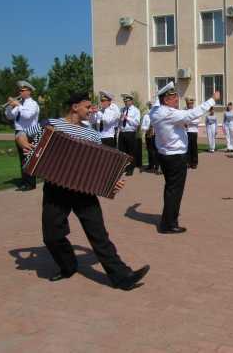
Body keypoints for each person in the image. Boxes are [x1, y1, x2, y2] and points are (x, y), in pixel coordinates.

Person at [15, 92, 150, 289]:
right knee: (51, 236)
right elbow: (21, 134)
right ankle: (68, 266)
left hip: (84, 190)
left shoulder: (92, 134)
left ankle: (123, 276)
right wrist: (23, 143)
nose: (91, 110)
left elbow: (100, 164)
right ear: (75, 107)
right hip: (55, 188)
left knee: (98, 235)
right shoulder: (50, 123)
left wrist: (114, 181)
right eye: (88, 107)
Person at [149, 82, 218, 234]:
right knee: (175, 191)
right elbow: (191, 114)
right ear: (165, 100)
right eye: (173, 98)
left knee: (170, 189)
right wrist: (212, 100)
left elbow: (156, 104)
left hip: (165, 156)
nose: (177, 100)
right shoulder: (169, 113)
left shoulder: (155, 111)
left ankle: (167, 219)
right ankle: (169, 224)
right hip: (176, 157)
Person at [4, 80, 39, 191]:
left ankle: (30, 183)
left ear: (29, 91)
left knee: (28, 158)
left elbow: (27, 115)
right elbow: (9, 116)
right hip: (19, 132)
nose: (20, 92)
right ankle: (25, 182)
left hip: (29, 133)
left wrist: (18, 105)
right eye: (19, 90)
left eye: (23, 90)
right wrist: (9, 106)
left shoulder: (33, 104)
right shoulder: (20, 104)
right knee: (22, 159)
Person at [118, 94, 141, 176]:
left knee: (131, 151)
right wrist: (120, 120)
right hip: (122, 132)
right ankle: (124, 167)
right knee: (122, 151)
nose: (126, 103)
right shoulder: (122, 109)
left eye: (127, 101)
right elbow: (120, 122)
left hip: (130, 132)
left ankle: (131, 168)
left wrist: (127, 118)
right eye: (124, 101)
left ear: (131, 101)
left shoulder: (136, 110)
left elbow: (137, 123)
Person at [141, 102, 159, 173]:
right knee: (150, 151)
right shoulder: (146, 116)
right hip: (148, 135)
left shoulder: (157, 116)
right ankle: (151, 165)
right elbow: (142, 126)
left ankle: (157, 166)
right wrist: (147, 128)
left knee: (156, 151)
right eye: (150, 106)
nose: (151, 107)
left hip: (156, 135)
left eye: (152, 106)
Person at [184, 97, 200, 169]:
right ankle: (188, 162)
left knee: (194, 147)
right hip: (186, 131)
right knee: (187, 147)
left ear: (192, 104)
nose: (189, 105)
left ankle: (194, 162)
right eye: (188, 103)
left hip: (193, 131)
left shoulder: (195, 111)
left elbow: (197, 121)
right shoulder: (184, 111)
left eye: (190, 103)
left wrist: (188, 122)